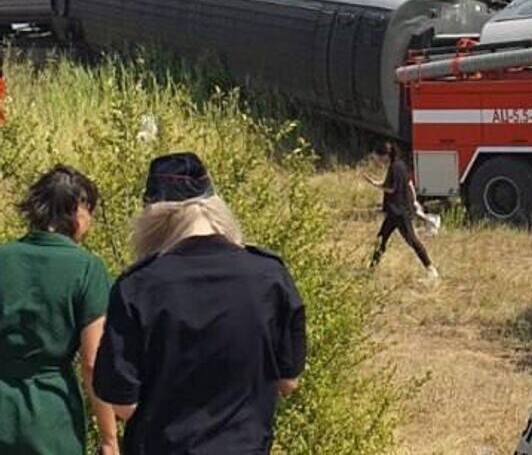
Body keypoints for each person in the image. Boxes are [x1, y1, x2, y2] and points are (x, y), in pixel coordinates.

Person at [95, 152, 307, 455]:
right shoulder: (270, 277)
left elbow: (123, 403)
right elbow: (288, 382)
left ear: (153, 214)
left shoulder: (137, 287)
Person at [0, 166, 117, 455]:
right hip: (52, 416)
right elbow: (92, 362)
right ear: (78, 210)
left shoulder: (4, 258)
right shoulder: (87, 268)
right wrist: (109, 438)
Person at [364, 142, 437, 278]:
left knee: (412, 240)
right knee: (381, 239)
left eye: (379, 158)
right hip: (395, 211)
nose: (379, 161)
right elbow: (409, 184)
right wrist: (414, 201)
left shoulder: (394, 168)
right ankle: (371, 269)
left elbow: (391, 188)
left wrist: (375, 184)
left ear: (386, 156)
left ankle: (431, 269)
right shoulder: (402, 166)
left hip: (399, 211)